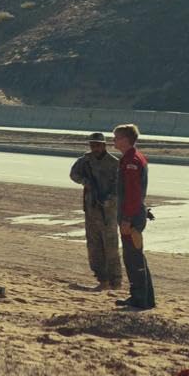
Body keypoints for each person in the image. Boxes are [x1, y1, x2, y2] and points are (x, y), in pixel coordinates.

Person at [68, 132, 123, 291]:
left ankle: (116, 282)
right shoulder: (85, 161)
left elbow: (119, 186)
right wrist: (86, 182)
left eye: (98, 145)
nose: (95, 148)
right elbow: (73, 174)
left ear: (104, 145)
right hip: (91, 210)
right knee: (94, 247)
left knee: (111, 248)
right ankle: (102, 280)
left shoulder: (114, 163)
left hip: (108, 212)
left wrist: (109, 199)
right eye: (92, 145)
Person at [113, 124, 156, 310]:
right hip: (133, 213)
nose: (114, 140)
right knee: (134, 256)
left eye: (116, 137)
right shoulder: (132, 158)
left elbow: (132, 193)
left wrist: (127, 219)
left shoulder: (132, 160)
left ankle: (140, 298)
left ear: (125, 139)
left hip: (131, 216)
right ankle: (144, 297)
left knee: (133, 257)